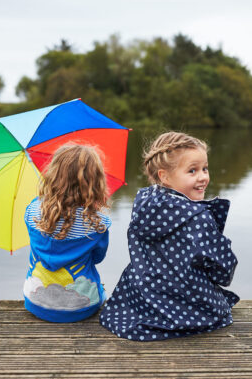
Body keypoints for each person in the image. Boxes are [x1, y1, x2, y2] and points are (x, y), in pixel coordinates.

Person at [99, 131, 239, 341]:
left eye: (205, 168)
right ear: (164, 176)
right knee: (218, 309)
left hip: (142, 300)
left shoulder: (143, 203)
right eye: (192, 171)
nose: (203, 177)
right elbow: (223, 270)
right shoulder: (199, 218)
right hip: (187, 305)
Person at [23, 144, 111, 322]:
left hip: (35, 301)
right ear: (96, 182)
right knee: (102, 290)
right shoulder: (98, 224)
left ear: (53, 174)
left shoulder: (33, 210)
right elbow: (97, 258)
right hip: (82, 307)